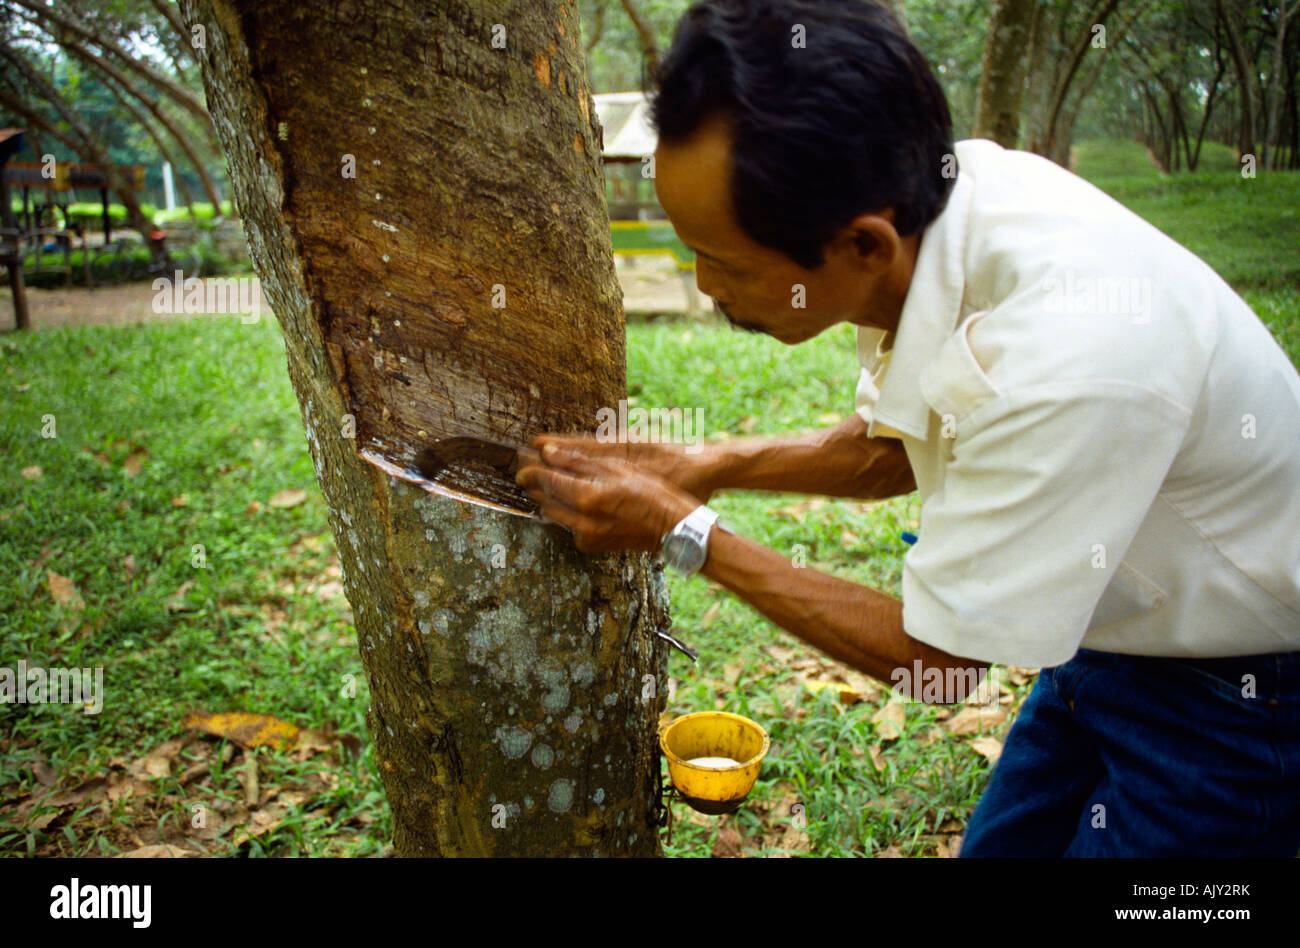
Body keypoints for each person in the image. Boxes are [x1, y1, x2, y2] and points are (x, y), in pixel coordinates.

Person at [514, 0, 1300, 856]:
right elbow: (893, 452)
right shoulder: (946, 208)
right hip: (1101, 642)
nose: (707, 287)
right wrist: (710, 461)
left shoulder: (1066, 358)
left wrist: (683, 531)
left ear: (862, 245)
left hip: (1240, 700)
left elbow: (943, 660)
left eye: (729, 263)